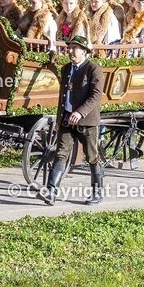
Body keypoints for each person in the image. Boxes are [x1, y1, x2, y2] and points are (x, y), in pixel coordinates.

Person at [37, 35, 105, 205]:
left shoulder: (93, 69)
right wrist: (60, 118)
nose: (71, 51)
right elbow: (63, 96)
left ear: (84, 51)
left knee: (92, 157)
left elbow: (96, 96)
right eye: (70, 48)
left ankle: (97, 192)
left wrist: (80, 113)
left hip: (87, 121)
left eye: (75, 48)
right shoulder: (66, 69)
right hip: (67, 119)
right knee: (61, 154)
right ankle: (51, 192)